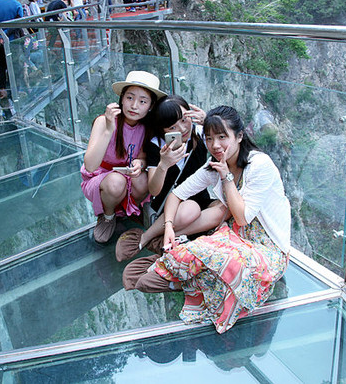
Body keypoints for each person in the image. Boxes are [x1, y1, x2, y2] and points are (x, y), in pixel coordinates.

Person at [123, 106, 291, 334]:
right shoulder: (214, 165)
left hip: (267, 246)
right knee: (201, 247)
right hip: (235, 235)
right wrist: (170, 227)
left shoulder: (259, 165)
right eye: (210, 138)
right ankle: (176, 270)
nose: (216, 145)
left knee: (225, 262)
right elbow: (176, 194)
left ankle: (178, 277)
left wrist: (226, 177)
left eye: (223, 137)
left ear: (239, 136)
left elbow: (242, 217)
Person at [115, 95, 217, 261]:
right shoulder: (157, 144)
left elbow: (229, 146)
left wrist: (210, 123)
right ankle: (149, 236)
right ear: (163, 130)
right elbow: (154, 189)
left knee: (222, 208)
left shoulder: (201, 134)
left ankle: (168, 237)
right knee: (190, 210)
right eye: (172, 127)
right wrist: (164, 164)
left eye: (185, 120)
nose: (182, 129)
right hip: (168, 203)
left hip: (199, 198)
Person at [81, 71, 167, 243]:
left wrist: (140, 164)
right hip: (100, 178)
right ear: (121, 98)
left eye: (142, 101)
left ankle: (129, 210)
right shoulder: (103, 121)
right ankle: (108, 216)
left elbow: (143, 158)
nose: (134, 106)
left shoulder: (146, 128)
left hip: (127, 176)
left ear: (150, 106)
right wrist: (108, 129)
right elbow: (90, 166)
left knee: (144, 181)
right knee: (116, 183)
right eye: (130, 98)